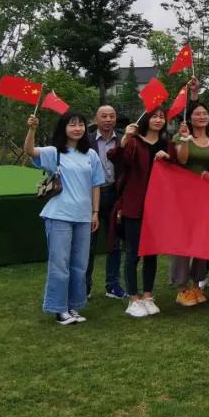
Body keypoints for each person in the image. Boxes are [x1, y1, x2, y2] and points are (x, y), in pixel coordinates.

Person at [25, 112, 104, 325]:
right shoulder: (55, 152)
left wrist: (95, 212)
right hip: (59, 214)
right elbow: (30, 151)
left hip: (84, 216)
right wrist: (32, 129)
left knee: (80, 265)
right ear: (64, 128)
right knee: (60, 264)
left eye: (81, 125)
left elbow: (96, 184)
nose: (77, 129)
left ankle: (73, 306)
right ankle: (59, 309)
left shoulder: (91, 155)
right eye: (72, 125)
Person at [108, 108, 171, 318]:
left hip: (158, 207)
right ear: (146, 119)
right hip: (134, 205)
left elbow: (177, 167)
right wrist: (125, 138)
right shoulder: (135, 142)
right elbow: (117, 159)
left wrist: (168, 157)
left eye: (162, 117)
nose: (158, 120)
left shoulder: (165, 144)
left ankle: (147, 295)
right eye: (154, 116)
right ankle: (133, 298)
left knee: (151, 253)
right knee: (133, 253)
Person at [171, 101, 209, 305]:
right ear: (189, 118)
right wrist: (184, 139)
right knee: (182, 242)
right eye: (197, 114)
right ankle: (182, 288)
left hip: (206, 197)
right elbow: (182, 160)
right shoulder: (181, 137)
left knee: (202, 241)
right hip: (184, 196)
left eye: (204, 113)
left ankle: (197, 285)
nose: (201, 117)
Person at [86, 104, 124, 299]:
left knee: (114, 243)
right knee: (88, 244)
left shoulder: (124, 139)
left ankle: (113, 284)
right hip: (90, 196)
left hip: (114, 195)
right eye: (104, 116)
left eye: (112, 116)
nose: (108, 119)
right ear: (96, 119)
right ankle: (85, 286)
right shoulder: (86, 140)